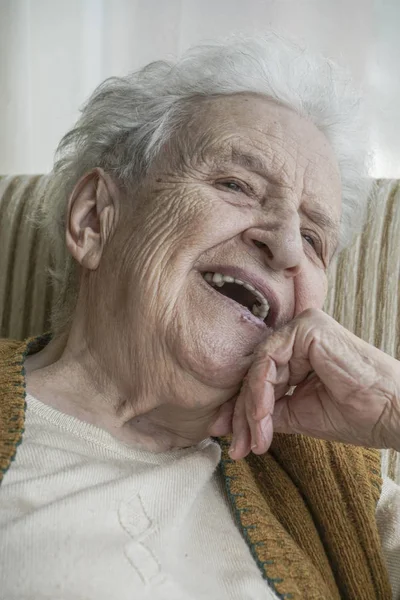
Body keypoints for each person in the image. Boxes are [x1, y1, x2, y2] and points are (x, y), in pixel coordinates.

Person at [0, 34, 399, 600]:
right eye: (237, 185)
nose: (285, 245)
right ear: (95, 220)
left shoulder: (339, 485)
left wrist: (393, 405)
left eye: (314, 238)